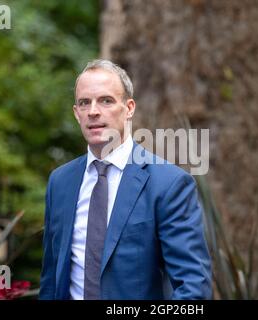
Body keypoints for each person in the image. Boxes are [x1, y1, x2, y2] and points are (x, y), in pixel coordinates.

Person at [39, 59, 212, 300]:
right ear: (76, 113)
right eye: (84, 102)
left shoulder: (169, 184)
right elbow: (50, 280)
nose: (93, 111)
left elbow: (193, 286)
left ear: (129, 108)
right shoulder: (60, 183)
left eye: (106, 100)